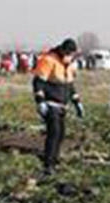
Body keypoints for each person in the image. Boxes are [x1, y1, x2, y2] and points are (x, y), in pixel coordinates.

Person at [32, 38, 84, 176]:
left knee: (61, 134)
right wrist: (40, 101)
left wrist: (77, 102)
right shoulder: (49, 60)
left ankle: (54, 160)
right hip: (50, 103)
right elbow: (38, 82)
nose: (70, 56)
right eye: (69, 53)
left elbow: (70, 85)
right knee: (54, 132)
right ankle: (48, 165)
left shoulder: (69, 64)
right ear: (63, 50)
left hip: (62, 105)